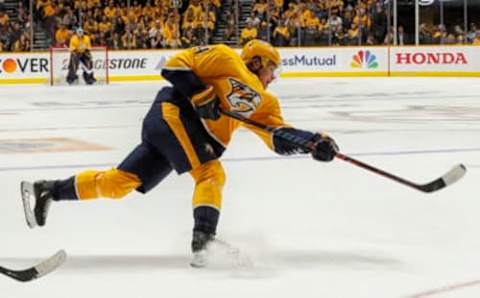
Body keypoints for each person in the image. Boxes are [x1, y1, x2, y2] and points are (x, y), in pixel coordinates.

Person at [21, 40, 339, 267]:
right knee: (210, 173)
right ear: (257, 61)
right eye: (272, 69)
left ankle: (49, 190)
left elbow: (278, 138)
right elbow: (175, 65)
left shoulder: (267, 105)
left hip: (179, 133)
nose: (273, 77)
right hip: (173, 116)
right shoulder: (226, 57)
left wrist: (312, 142)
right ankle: (204, 241)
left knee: (119, 184)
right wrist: (201, 94)